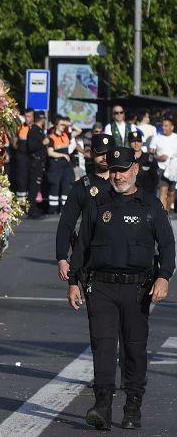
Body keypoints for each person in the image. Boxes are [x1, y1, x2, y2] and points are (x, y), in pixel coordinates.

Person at [67, 147, 175, 430]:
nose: (118, 176)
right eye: (114, 170)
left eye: (123, 170)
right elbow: (81, 247)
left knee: (134, 349)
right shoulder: (98, 204)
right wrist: (73, 282)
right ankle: (102, 405)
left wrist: (164, 277)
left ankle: (132, 405)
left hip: (137, 290)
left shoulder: (150, 205)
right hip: (100, 286)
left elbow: (167, 246)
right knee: (102, 347)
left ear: (135, 169)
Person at [56, 132, 113, 282]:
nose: (104, 158)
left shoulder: (125, 184)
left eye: (108, 153)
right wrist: (62, 258)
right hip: (91, 258)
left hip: (120, 259)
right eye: (100, 153)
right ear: (91, 154)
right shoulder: (82, 186)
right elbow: (66, 223)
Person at [45, 116, 74, 216]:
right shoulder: (51, 137)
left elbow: (79, 130)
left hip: (65, 166)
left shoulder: (66, 135)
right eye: (62, 124)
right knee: (55, 186)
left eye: (64, 125)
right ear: (56, 125)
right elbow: (50, 153)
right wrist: (63, 155)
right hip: (55, 165)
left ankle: (63, 209)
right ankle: (52, 209)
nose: (64, 126)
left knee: (66, 186)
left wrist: (69, 124)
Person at [149, 115, 177, 212]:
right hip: (161, 168)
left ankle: (167, 212)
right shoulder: (156, 138)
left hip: (173, 170)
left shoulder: (176, 138)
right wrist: (159, 157)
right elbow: (151, 154)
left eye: (166, 125)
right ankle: (162, 216)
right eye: (163, 125)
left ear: (172, 127)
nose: (163, 127)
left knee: (171, 193)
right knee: (163, 191)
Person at [26, 111, 48, 218]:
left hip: (40, 162)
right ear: (43, 120)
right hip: (35, 162)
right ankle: (31, 210)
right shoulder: (34, 131)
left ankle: (34, 207)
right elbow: (31, 147)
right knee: (34, 187)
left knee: (37, 186)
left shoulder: (38, 130)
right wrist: (42, 143)